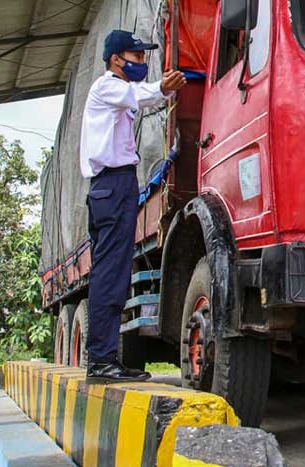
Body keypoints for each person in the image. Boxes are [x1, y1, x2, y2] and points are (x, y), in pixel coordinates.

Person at [79, 29, 186, 383]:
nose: (142, 62)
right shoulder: (107, 87)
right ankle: (100, 362)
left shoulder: (118, 94)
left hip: (119, 185)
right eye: (136, 56)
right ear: (116, 59)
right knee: (110, 274)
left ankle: (107, 358)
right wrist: (163, 87)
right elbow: (140, 95)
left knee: (117, 274)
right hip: (111, 186)